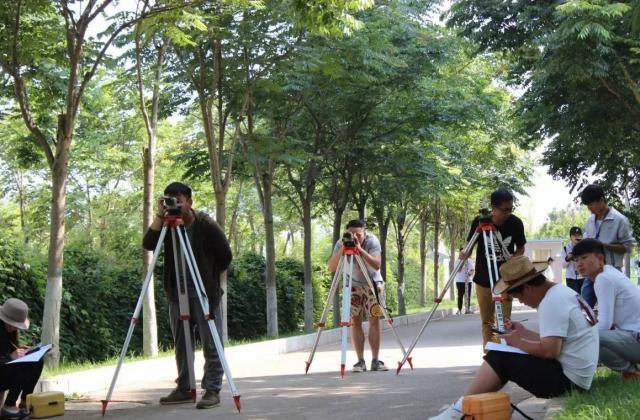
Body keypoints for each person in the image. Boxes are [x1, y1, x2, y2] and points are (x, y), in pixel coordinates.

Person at [428, 256, 599, 420]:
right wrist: (523, 333)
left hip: (569, 383)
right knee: (505, 355)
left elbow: (550, 351)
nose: (522, 303)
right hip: (577, 378)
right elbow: (557, 340)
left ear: (527, 288)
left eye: (519, 298)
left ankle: (458, 410)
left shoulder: (551, 302)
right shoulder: (560, 292)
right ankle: (469, 407)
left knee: (500, 357)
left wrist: (519, 342)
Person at [143, 182, 232, 409]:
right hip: (177, 291)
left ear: (190, 202)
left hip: (204, 292)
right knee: (182, 343)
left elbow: (225, 255)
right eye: (170, 200)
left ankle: (212, 390)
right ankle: (184, 387)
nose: (175, 205)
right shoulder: (166, 223)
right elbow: (148, 244)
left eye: (178, 200)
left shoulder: (205, 224)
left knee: (211, 342)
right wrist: (160, 216)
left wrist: (209, 277)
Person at [460, 188, 526, 346]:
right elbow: (469, 246)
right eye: (504, 210)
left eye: (511, 209)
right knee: (487, 321)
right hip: (483, 279)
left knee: (504, 322)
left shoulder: (515, 223)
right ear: (493, 208)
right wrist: (464, 252)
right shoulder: (480, 221)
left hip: (505, 279)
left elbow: (521, 248)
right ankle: (490, 355)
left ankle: (507, 353)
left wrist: (514, 259)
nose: (508, 213)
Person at [573, 238, 640, 380]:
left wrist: (576, 338)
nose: (579, 263)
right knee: (594, 339)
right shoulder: (609, 273)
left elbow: (605, 324)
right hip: (633, 337)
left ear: (600, 258)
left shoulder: (604, 279)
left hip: (636, 338)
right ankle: (631, 372)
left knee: (591, 337)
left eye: (584, 258)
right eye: (576, 259)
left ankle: (630, 372)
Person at [327, 219, 388, 372]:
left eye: (358, 235)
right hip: (352, 285)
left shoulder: (372, 241)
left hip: (372, 284)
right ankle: (360, 361)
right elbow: (331, 267)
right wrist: (343, 248)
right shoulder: (341, 243)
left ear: (364, 233)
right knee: (355, 321)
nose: (355, 237)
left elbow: (376, 264)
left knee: (374, 320)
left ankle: (375, 360)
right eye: (351, 234)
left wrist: (360, 249)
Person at [580, 184, 634, 307]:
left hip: (612, 270)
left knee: (612, 306)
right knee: (584, 305)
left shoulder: (620, 220)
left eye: (591, 204)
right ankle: (587, 326)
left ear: (601, 200)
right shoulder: (590, 221)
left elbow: (628, 247)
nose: (589, 209)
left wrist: (604, 246)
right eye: (587, 205)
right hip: (592, 270)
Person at [0, 298, 43, 420]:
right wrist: (10, 357)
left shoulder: (8, 332)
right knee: (24, 364)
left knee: (38, 360)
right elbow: (5, 356)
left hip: (4, 371)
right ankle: (9, 406)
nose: (14, 328)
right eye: (12, 324)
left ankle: (25, 400)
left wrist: (19, 349)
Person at [561, 226, 585, 294]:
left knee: (584, 299)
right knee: (574, 299)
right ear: (570, 237)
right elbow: (563, 265)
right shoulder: (565, 248)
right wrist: (568, 258)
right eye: (574, 235)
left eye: (579, 235)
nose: (577, 237)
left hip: (583, 277)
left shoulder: (585, 247)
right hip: (571, 278)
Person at [455, 248, 475, 315]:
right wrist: (462, 261)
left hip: (468, 281)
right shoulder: (457, 261)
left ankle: (467, 309)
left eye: (464, 253)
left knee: (468, 295)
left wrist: (470, 273)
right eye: (462, 253)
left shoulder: (470, 261)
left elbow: (472, 269)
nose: (463, 254)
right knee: (460, 295)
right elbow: (458, 270)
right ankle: (459, 309)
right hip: (460, 281)